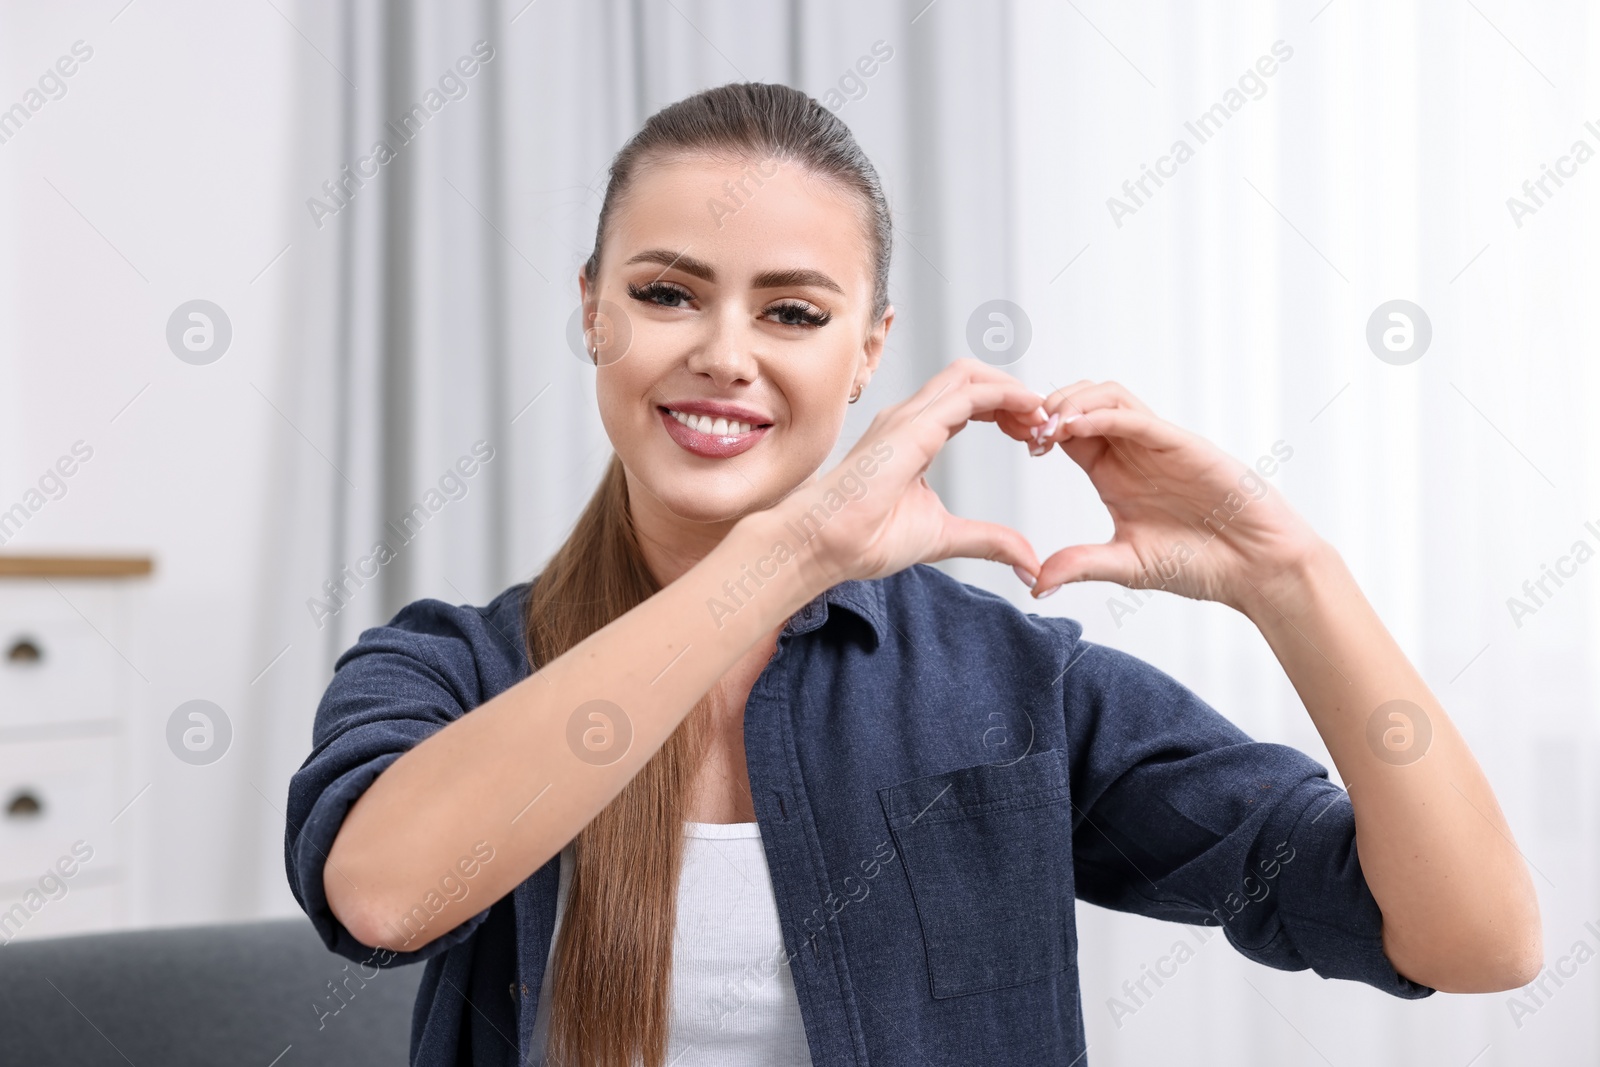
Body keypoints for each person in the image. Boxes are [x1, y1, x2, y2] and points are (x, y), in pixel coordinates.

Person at [284, 81, 1541, 1067]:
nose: (726, 354)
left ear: (869, 350)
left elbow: (1474, 937)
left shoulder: (1007, 681)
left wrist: (1291, 575)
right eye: (667, 293)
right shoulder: (446, 665)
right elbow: (386, 894)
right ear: (593, 312)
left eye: (793, 312)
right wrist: (788, 553)